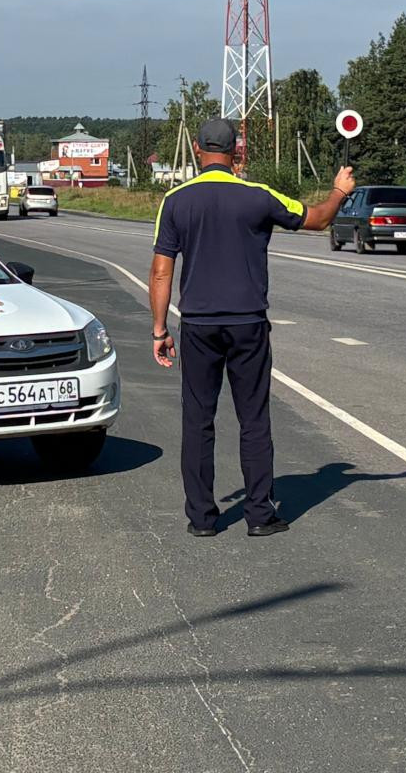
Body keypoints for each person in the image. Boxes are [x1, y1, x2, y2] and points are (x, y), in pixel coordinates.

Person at [149, 118, 356, 537]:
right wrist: (339, 191)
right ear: (237, 151)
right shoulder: (258, 196)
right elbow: (317, 219)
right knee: (254, 419)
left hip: (199, 325)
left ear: (196, 148)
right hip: (248, 323)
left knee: (198, 420)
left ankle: (202, 519)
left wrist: (159, 329)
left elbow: (160, 271)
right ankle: (260, 515)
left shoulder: (175, 200)